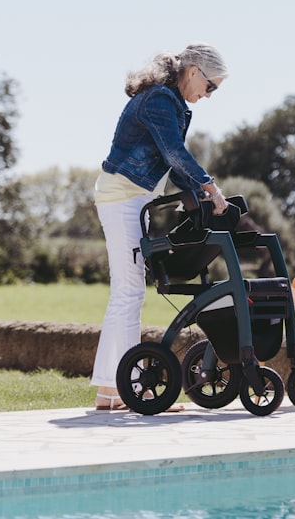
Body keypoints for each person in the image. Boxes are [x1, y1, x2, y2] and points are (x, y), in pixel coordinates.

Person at [91, 43, 230, 410]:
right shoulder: (160, 101)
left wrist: (199, 196)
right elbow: (174, 154)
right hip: (122, 197)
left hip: (132, 199)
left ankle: (112, 390)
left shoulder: (171, 103)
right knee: (128, 292)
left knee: (127, 292)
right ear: (194, 71)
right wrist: (210, 187)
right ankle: (127, 389)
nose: (209, 95)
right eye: (211, 86)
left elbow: (172, 166)